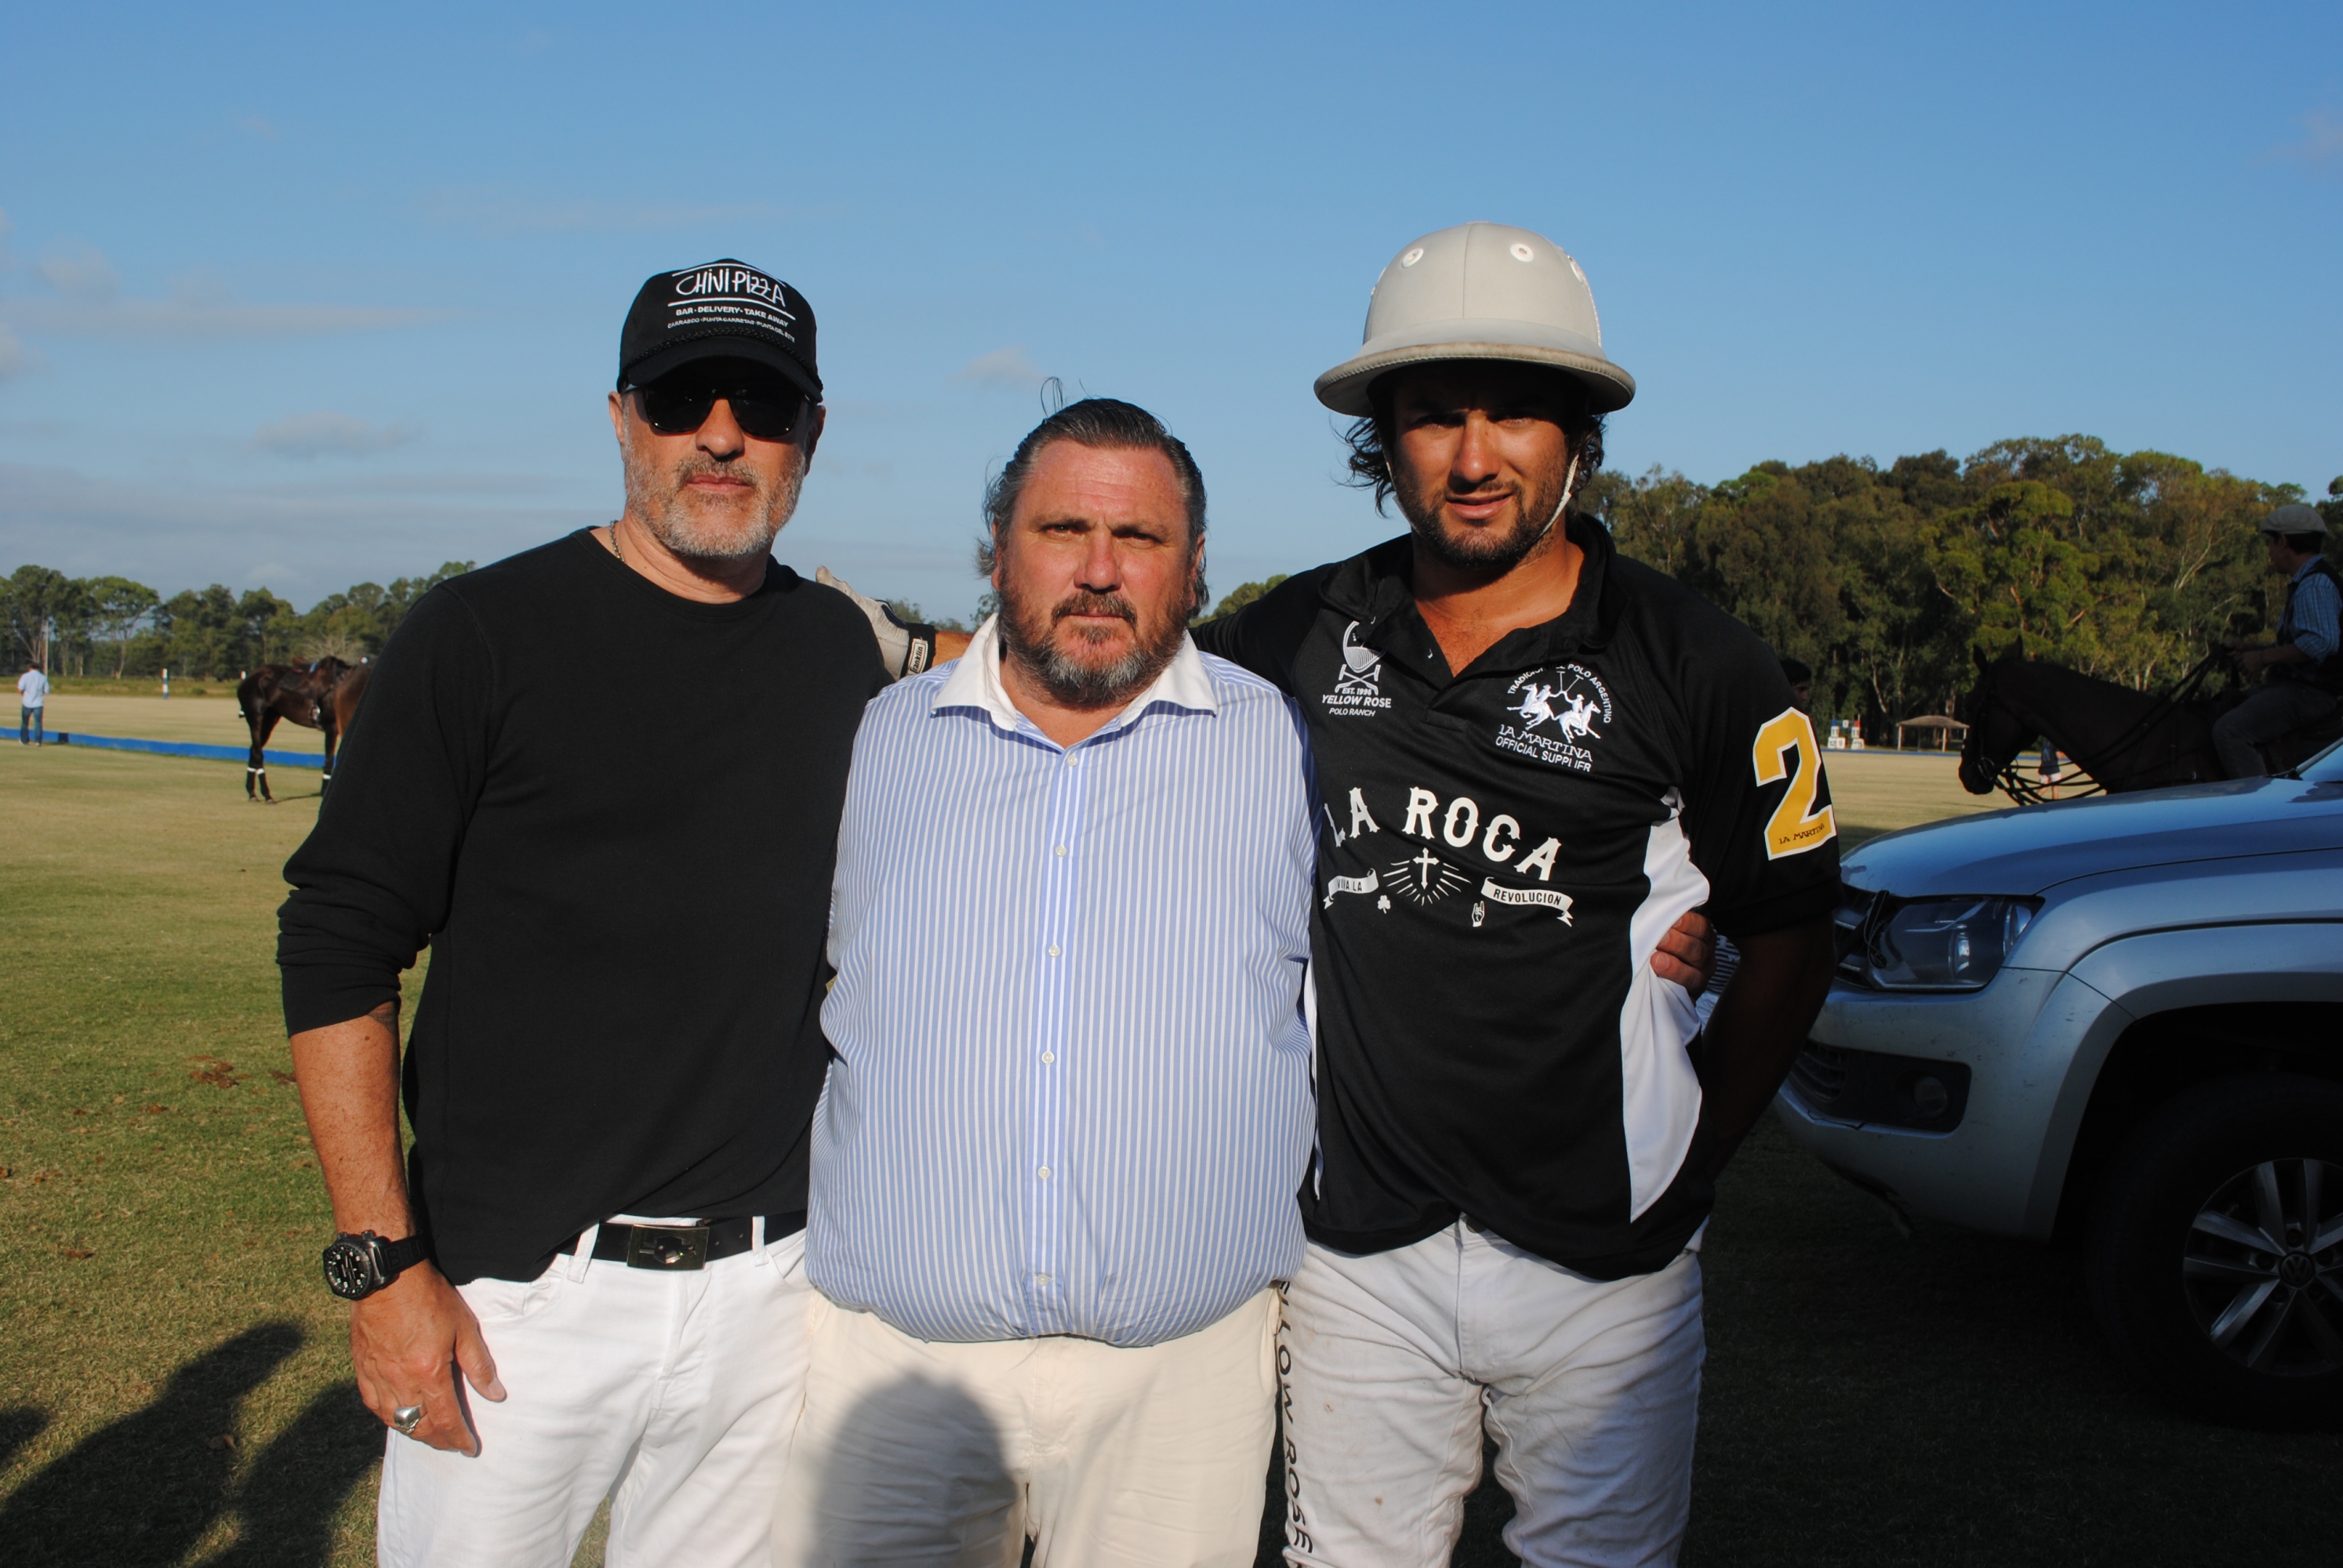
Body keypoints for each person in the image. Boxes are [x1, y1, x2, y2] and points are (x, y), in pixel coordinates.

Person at [1185, 223, 1840, 1566]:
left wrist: (1695, 1155)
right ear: (1382, 436)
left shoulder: (1698, 660)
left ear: (1578, 434)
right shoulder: (1286, 637)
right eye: (1433, 417)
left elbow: (1788, 930)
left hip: (1608, 1264)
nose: (1474, 458)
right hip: (1359, 1253)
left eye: (1515, 414)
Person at [277, 259, 922, 1568]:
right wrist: (383, 1270)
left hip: (770, 1299)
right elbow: (338, 938)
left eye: (765, 405)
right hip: (520, 1302)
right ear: (623, 417)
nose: (723, 434)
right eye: (685, 398)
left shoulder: (837, 653)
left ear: (812, 433)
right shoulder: (479, 636)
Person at [776, 397, 1315, 1563]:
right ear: (997, 546)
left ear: (1197, 564)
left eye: (1142, 539)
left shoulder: (1287, 748)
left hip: (1186, 1387)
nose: (1101, 571)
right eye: (1064, 529)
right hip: (894, 1371)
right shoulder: (877, 741)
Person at [2213, 503, 2340, 779]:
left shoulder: (2315, 585)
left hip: (2310, 694)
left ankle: (2260, 807)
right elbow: (2301, 643)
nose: (2269, 552)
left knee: (2230, 731)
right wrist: (2251, 648)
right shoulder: (2306, 581)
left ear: (2284, 542)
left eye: (2270, 543)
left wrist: (2262, 659)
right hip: (2300, 689)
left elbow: (2320, 643)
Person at [18, 659, 47, 746]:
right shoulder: (43, 677)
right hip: (38, 703)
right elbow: (47, 690)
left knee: (25, 722)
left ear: (30, 667)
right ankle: (38, 741)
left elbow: (19, 689)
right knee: (38, 723)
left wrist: (24, 694)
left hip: (27, 702)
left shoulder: (25, 676)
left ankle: (24, 740)